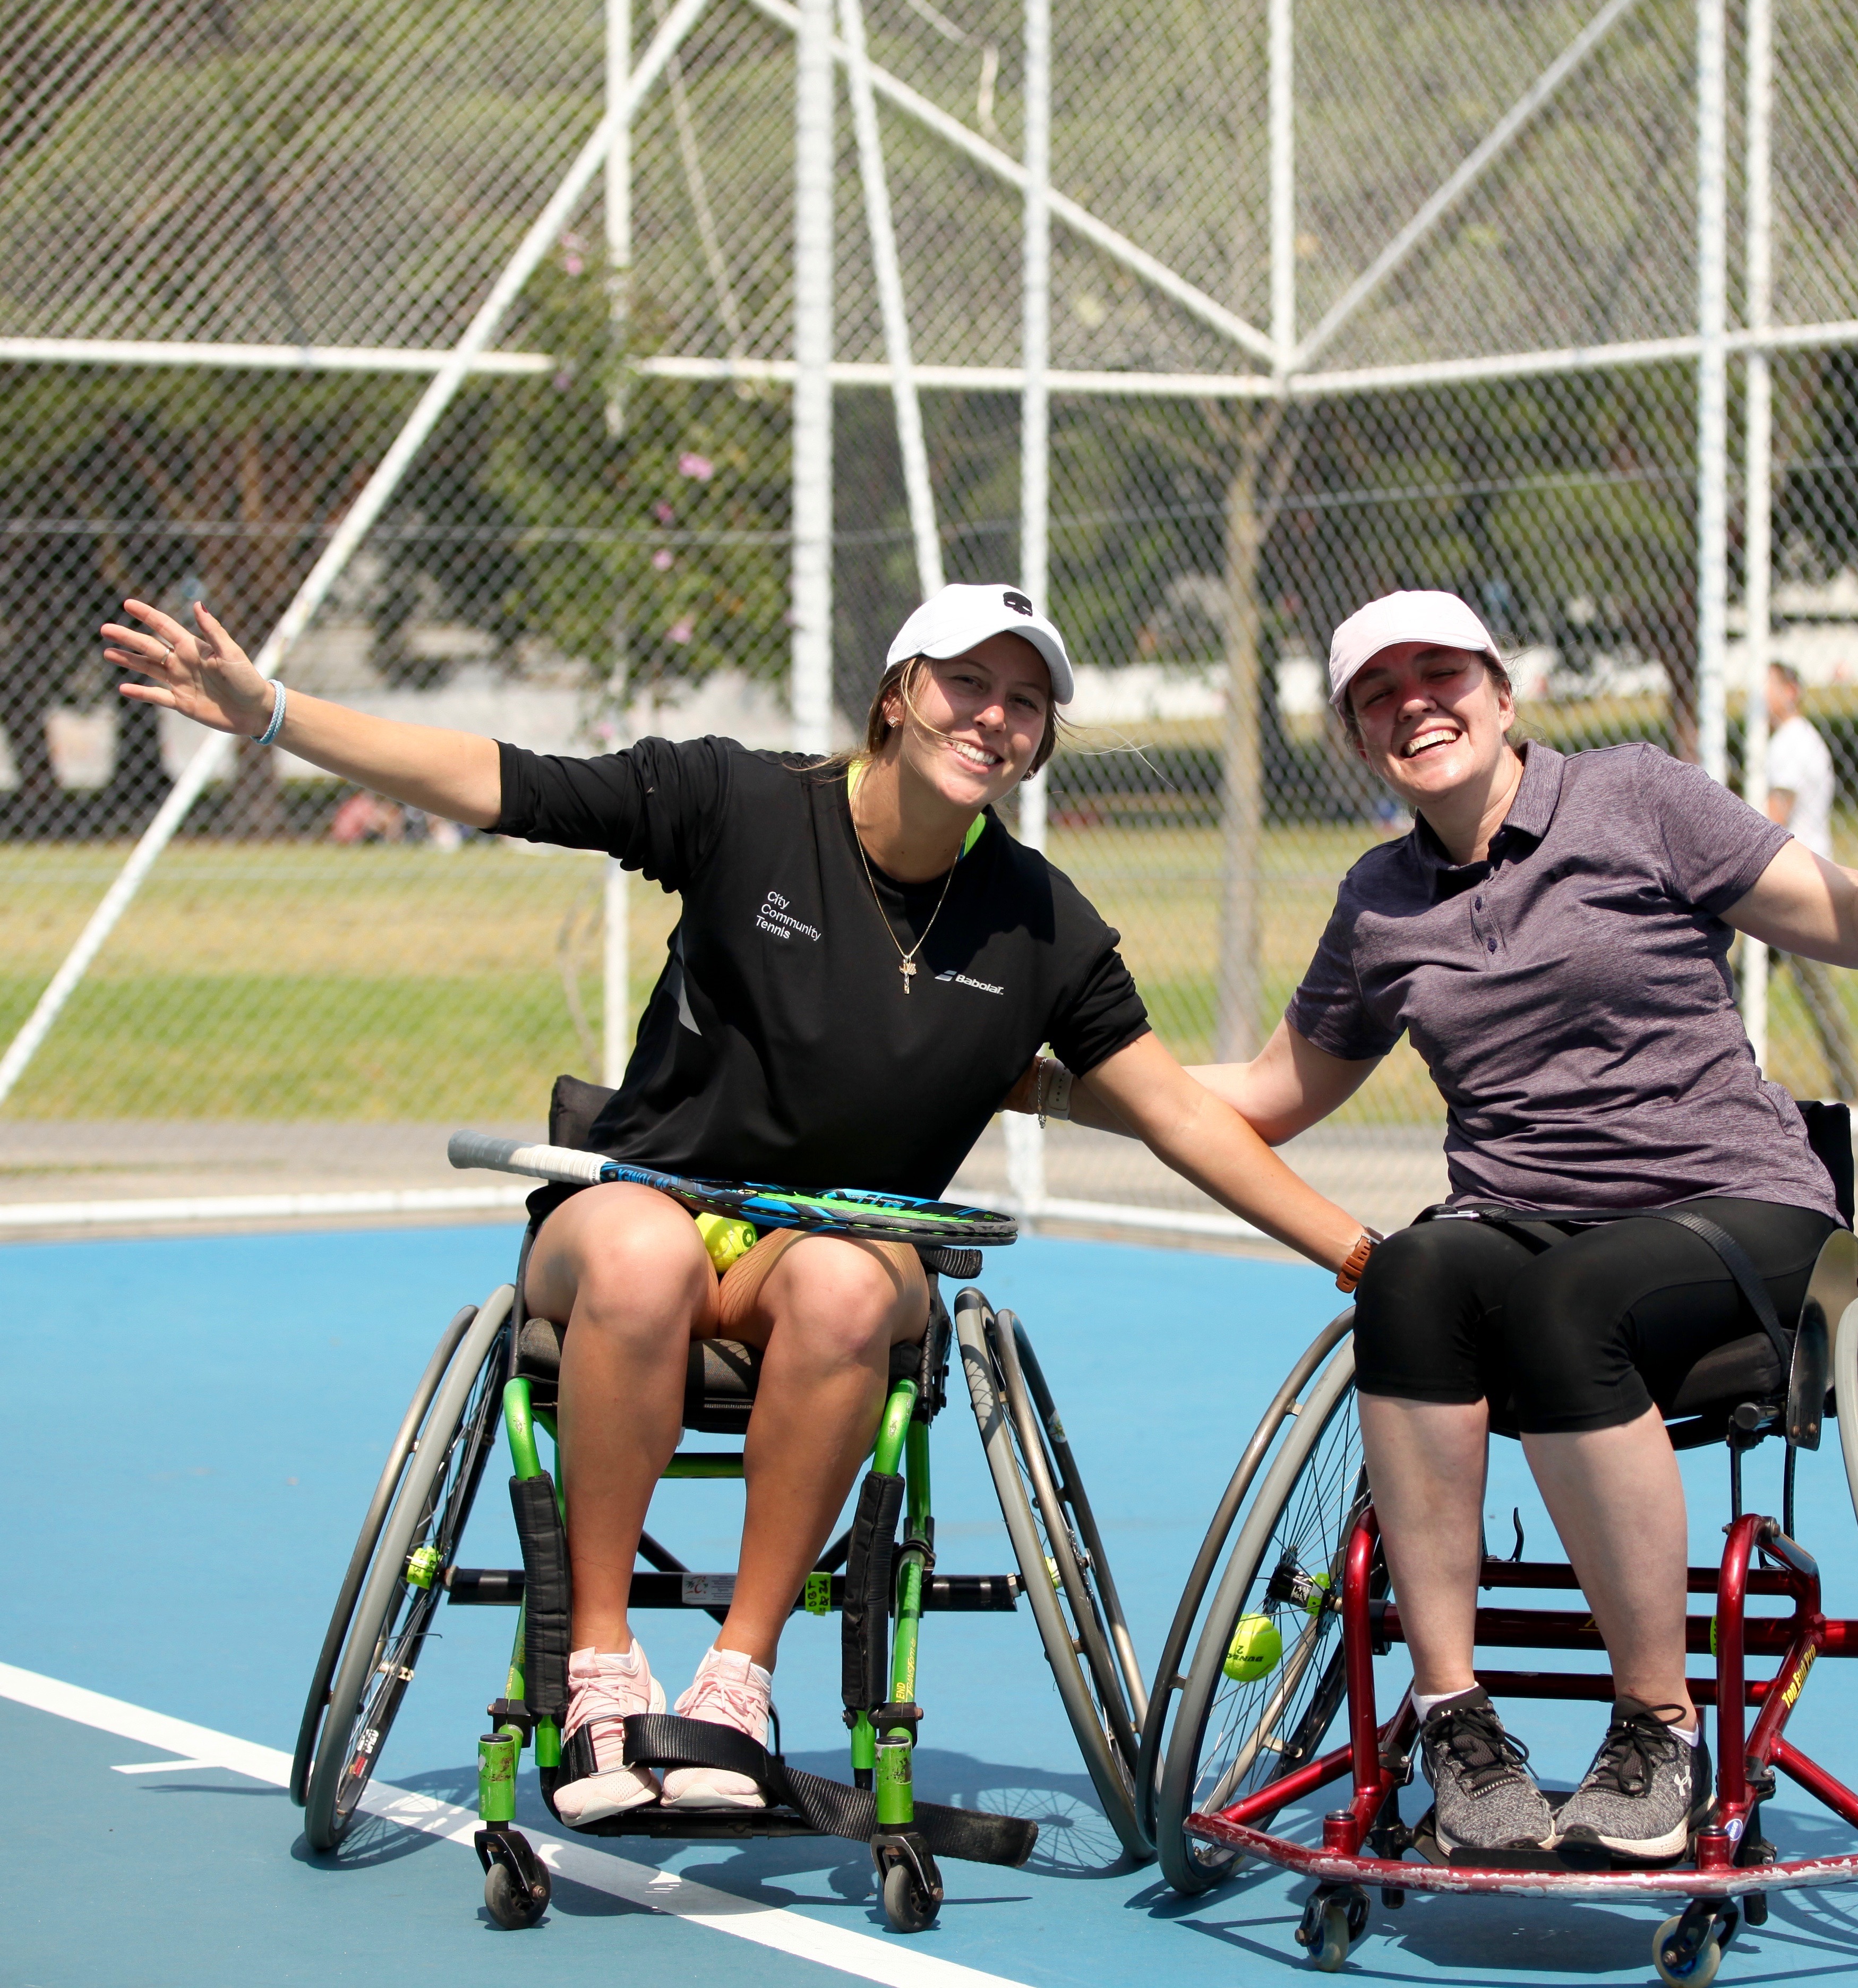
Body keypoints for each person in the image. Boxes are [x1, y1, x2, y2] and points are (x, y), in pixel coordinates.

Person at [103, 583, 1380, 1828]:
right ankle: (595, 1661)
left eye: (1026, 700)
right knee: (646, 1250)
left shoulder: (1045, 925)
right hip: (633, 1217)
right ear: (896, 696)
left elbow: (1179, 1111)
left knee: (840, 1272)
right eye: (968, 684)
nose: (995, 717)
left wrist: (1353, 1249)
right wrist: (273, 711)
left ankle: (737, 1679)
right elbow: (506, 780)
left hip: (826, 1263)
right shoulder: (741, 799)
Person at [1022, 590, 1858, 1866]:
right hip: (1516, 1216)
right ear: (1356, 737)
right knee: (1404, 1274)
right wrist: (1058, 1083)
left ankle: (1655, 1728)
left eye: (1439, 672)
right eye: (1378, 691)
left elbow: (1850, 917)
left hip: (1737, 1208)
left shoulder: (1638, 796)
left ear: (1503, 694)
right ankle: (1453, 1718)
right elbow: (1267, 1097)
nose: (1414, 702)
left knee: (1572, 1296)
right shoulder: (1380, 901)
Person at [1759, 661, 1858, 1113]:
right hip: (1790, 881)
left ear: (1791, 691)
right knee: (1736, 986)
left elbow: (1772, 815)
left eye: (1765, 688)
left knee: (1818, 995)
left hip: (1793, 889)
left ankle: (1852, 1096)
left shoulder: (1790, 744)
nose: (1757, 698)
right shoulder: (1800, 741)